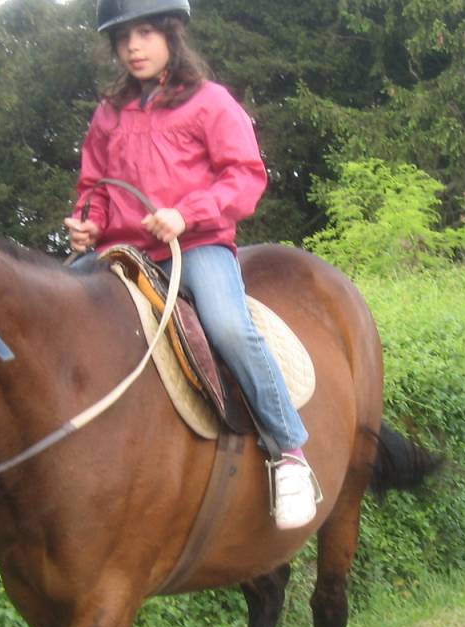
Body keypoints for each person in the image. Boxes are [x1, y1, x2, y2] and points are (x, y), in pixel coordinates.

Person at [65, 0, 321, 530]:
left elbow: (245, 176)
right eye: (122, 38)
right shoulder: (108, 114)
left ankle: (288, 451)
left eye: (144, 33)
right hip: (121, 251)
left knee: (228, 328)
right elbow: (95, 187)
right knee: (57, 313)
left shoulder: (211, 103)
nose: (132, 46)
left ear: (171, 35)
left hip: (197, 245)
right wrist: (87, 222)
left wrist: (187, 214)